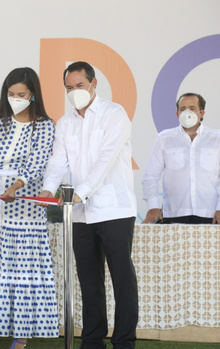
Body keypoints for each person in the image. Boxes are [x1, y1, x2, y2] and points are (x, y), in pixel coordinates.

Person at [39, 61, 138, 349]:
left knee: (122, 279)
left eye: (79, 86)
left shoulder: (114, 114)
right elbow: (58, 161)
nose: (74, 92)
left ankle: (124, 342)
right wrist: (47, 189)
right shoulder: (66, 122)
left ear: (94, 84)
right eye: (69, 88)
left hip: (114, 210)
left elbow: (106, 160)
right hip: (80, 214)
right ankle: (93, 340)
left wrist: (80, 192)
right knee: (89, 279)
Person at [0, 67, 58, 349]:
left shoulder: (44, 125)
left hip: (24, 205)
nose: (15, 98)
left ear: (33, 96)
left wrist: (15, 187)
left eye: (21, 94)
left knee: (22, 274)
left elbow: (37, 163)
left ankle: (20, 339)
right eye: (11, 93)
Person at [142, 93, 220, 224]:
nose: (187, 112)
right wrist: (153, 207)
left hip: (211, 214)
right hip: (173, 214)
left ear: (202, 113)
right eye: (183, 109)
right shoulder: (164, 139)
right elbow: (150, 176)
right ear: (177, 114)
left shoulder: (217, 138)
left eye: (192, 108)